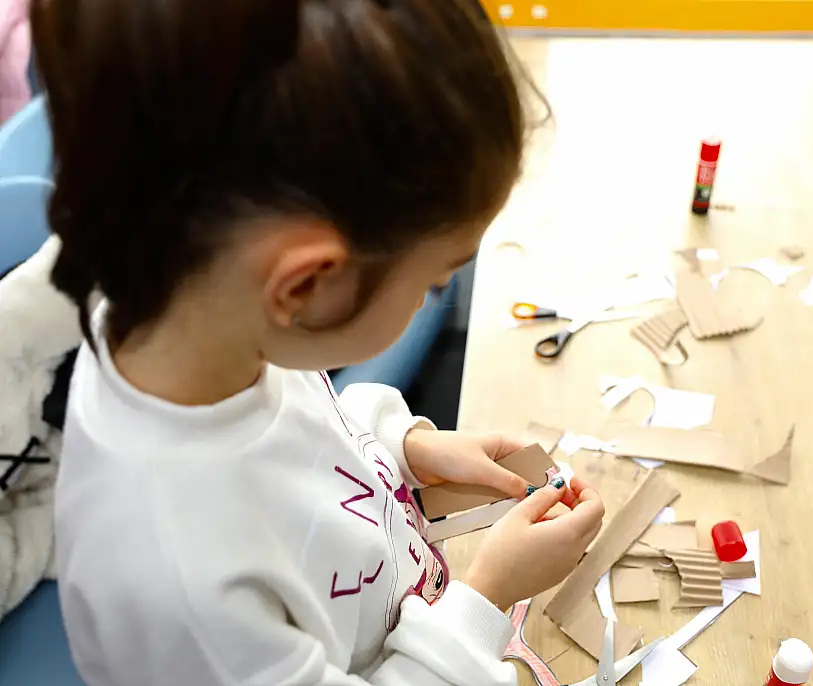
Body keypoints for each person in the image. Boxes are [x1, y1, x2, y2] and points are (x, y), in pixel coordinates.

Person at [31, 1, 606, 684]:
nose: (431, 295)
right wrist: (486, 599)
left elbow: (304, 436)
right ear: (305, 285)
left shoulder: (201, 316)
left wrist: (404, 451)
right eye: (432, 281)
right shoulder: (184, 594)